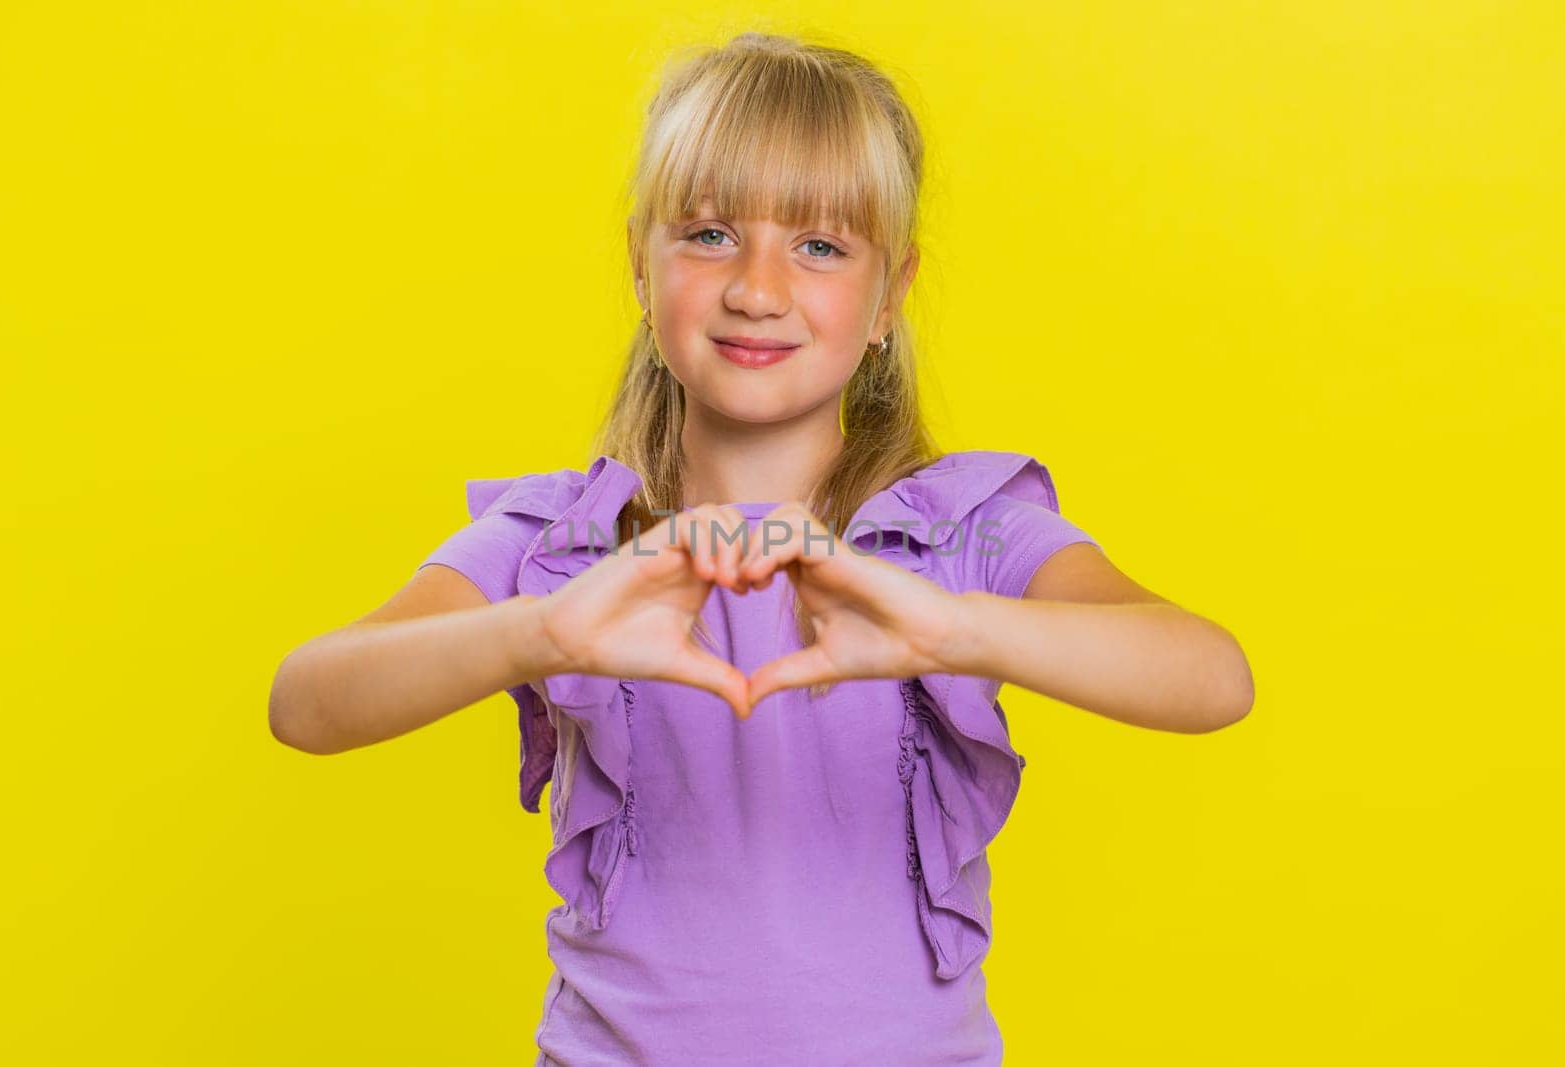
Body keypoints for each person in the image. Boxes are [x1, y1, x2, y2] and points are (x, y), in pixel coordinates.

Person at [269, 31, 1254, 1066]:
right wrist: (539, 632)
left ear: (891, 296)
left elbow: (1210, 673)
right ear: (639, 268)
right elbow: (307, 700)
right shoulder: (561, 540)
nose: (757, 286)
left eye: (820, 246)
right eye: (707, 234)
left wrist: (955, 627)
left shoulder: (960, 531)